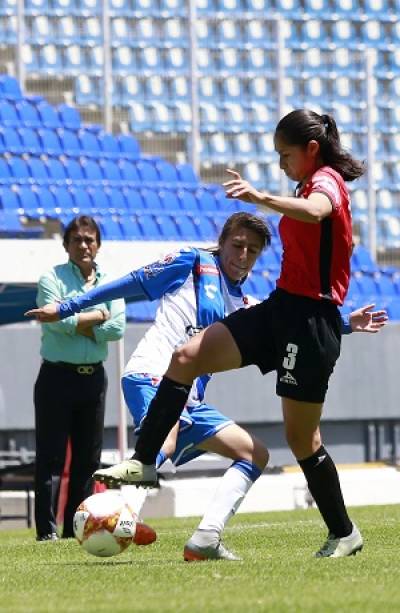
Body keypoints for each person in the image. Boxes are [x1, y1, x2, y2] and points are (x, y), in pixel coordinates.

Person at [86, 108, 386, 559]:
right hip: (282, 307)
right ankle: (144, 463)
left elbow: (317, 211)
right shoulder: (307, 182)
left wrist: (259, 196)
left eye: (285, 155)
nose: (282, 163)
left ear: (310, 150)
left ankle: (344, 532)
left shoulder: (327, 183)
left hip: (311, 324)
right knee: (186, 356)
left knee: (303, 440)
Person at [27, 208, 387, 560]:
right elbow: (133, 282)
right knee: (166, 433)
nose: (243, 256)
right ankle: (119, 511)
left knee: (253, 454)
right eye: (237, 245)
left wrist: (345, 324)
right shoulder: (192, 262)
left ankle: (205, 538)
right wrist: (69, 306)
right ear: (222, 242)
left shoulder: (246, 305)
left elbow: (287, 328)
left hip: (188, 401)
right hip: (151, 374)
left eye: (252, 251)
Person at [31, 215, 125, 541]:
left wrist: (77, 319)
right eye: (77, 240)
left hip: (93, 381)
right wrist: (99, 315)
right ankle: (46, 532)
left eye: (90, 239)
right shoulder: (51, 278)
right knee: (51, 458)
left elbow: (118, 329)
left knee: (88, 459)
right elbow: (56, 323)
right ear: (66, 245)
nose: (84, 245)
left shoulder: (110, 282)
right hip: (56, 377)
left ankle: (76, 529)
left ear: (98, 244)